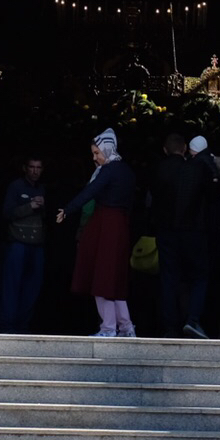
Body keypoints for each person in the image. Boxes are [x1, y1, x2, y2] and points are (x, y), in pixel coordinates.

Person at [60, 130, 140, 337]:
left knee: (101, 275)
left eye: (97, 153)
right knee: (114, 278)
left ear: (106, 149)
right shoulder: (128, 172)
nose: (95, 158)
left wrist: (68, 209)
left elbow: (90, 192)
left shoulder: (108, 170)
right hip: (121, 225)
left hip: (104, 224)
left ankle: (108, 327)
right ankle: (126, 327)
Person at [154, 132, 220, 338]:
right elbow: (212, 196)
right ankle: (192, 319)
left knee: (168, 278)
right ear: (184, 149)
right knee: (199, 276)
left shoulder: (159, 169)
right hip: (193, 231)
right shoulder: (195, 170)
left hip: (165, 231)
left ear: (165, 150)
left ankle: (169, 327)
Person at [0, 157, 50, 332]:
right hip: (17, 244)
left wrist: (43, 207)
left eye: (38, 167)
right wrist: (30, 206)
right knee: (12, 287)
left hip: (37, 245)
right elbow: (6, 213)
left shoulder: (42, 188)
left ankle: (23, 327)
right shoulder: (16, 187)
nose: (35, 171)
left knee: (32, 288)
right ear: (24, 168)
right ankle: (7, 328)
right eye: (32, 167)